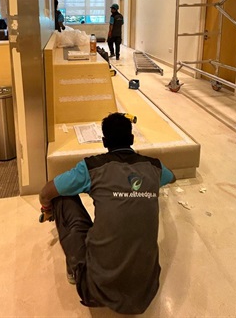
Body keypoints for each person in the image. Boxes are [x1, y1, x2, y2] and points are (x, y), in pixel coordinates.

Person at [39, 112, 176, 314]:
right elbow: (172, 177)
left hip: (94, 290)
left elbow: (46, 192)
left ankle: (76, 270)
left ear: (104, 142)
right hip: (145, 292)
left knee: (61, 196)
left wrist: (47, 209)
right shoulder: (154, 167)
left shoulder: (92, 167)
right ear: (131, 139)